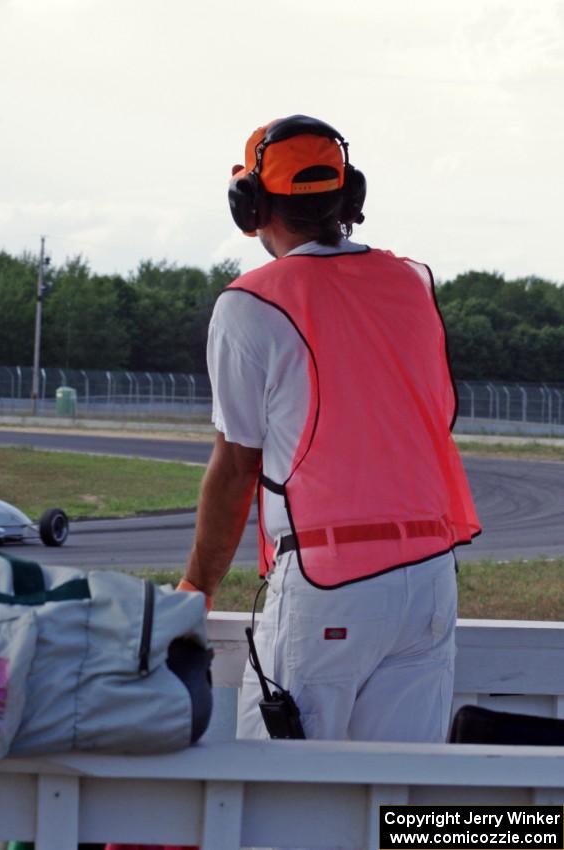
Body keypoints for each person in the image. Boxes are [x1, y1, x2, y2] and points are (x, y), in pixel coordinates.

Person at [180, 114, 481, 744]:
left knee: (279, 803)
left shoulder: (249, 303)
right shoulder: (412, 283)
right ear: (349, 197)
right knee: (398, 810)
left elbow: (237, 467)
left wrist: (195, 589)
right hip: (429, 576)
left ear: (252, 205)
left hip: (328, 582)